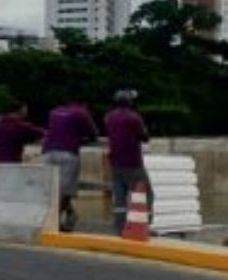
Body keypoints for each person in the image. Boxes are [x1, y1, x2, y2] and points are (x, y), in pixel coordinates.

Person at [41, 95, 99, 233]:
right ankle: (54, 222)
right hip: (68, 153)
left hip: (48, 152)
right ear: (84, 104)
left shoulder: (54, 112)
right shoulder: (81, 112)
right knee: (65, 191)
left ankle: (67, 215)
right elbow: (94, 133)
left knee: (53, 189)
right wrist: (82, 138)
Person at [103, 89, 151, 235]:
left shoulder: (108, 117)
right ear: (129, 102)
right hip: (133, 163)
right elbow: (145, 137)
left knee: (120, 198)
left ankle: (119, 228)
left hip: (116, 163)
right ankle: (143, 225)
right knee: (145, 194)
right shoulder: (134, 117)